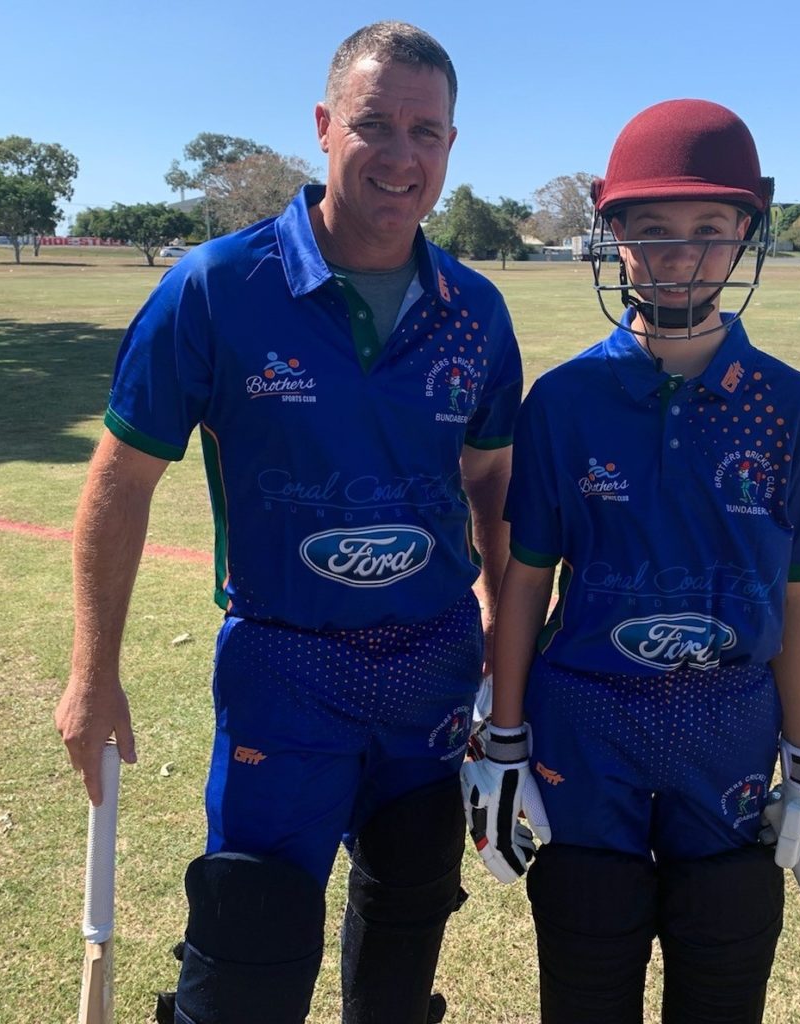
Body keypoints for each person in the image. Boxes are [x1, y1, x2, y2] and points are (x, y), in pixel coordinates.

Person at [55, 22, 522, 1024]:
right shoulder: (217, 288)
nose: (402, 157)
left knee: (401, 952)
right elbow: (120, 483)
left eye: (427, 132)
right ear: (323, 126)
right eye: (375, 125)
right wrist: (95, 670)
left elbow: (490, 477)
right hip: (285, 670)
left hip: (431, 676)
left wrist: (495, 615)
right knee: (248, 959)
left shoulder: (475, 311)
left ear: (451, 143)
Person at [462, 99, 800, 1023]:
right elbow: (526, 579)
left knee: (725, 950)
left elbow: (793, 594)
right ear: (616, 239)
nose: (680, 255)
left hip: (729, 719)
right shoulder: (564, 400)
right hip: (584, 721)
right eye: (653, 230)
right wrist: (505, 733)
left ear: (744, 235)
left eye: (708, 231)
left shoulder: (787, 405)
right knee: (586, 952)